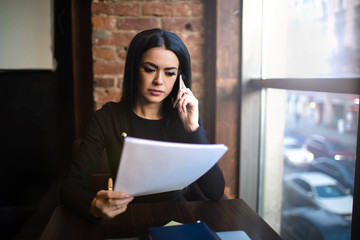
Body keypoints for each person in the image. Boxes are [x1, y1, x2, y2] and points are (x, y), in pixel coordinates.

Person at [60, 28, 225, 221]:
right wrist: (94, 206)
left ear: (180, 79)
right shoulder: (108, 117)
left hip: (176, 217)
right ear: (134, 69)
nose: (159, 81)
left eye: (170, 73)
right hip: (125, 216)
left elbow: (215, 191)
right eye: (149, 69)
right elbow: (70, 187)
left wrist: (193, 129)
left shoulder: (183, 117)